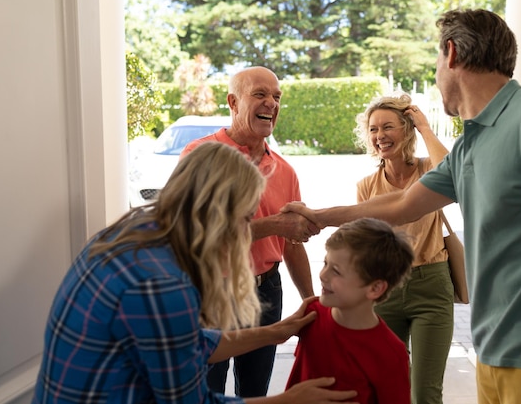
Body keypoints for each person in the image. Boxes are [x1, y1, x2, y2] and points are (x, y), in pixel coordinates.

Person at [283, 9, 521, 404]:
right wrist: (319, 217)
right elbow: (405, 204)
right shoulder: (471, 143)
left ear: (453, 53)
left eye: (436, 61)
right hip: (493, 355)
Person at [32, 142, 358, 404]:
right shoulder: (162, 285)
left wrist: (277, 331)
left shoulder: (136, 230)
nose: (247, 231)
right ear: (214, 213)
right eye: (244, 218)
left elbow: (189, 342)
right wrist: (289, 401)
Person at [180, 66, 319, 397]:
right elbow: (194, 232)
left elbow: (292, 244)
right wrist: (274, 225)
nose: (271, 102)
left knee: (255, 392)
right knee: (205, 390)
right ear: (232, 101)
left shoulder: (285, 170)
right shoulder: (200, 156)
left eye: (276, 96)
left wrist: (311, 299)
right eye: (260, 94)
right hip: (213, 288)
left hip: (267, 290)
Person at [353, 92, 452, 404]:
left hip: (432, 286)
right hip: (387, 290)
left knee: (425, 393)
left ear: (406, 130)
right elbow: (365, 243)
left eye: (388, 127)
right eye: (373, 129)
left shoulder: (428, 172)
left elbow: (455, 170)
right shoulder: (367, 186)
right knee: (388, 388)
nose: (380, 136)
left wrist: (424, 127)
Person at [286, 218, 413, 404]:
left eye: (336, 271)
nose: (322, 275)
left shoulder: (391, 354)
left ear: (375, 288)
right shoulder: (311, 314)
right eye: (325, 263)